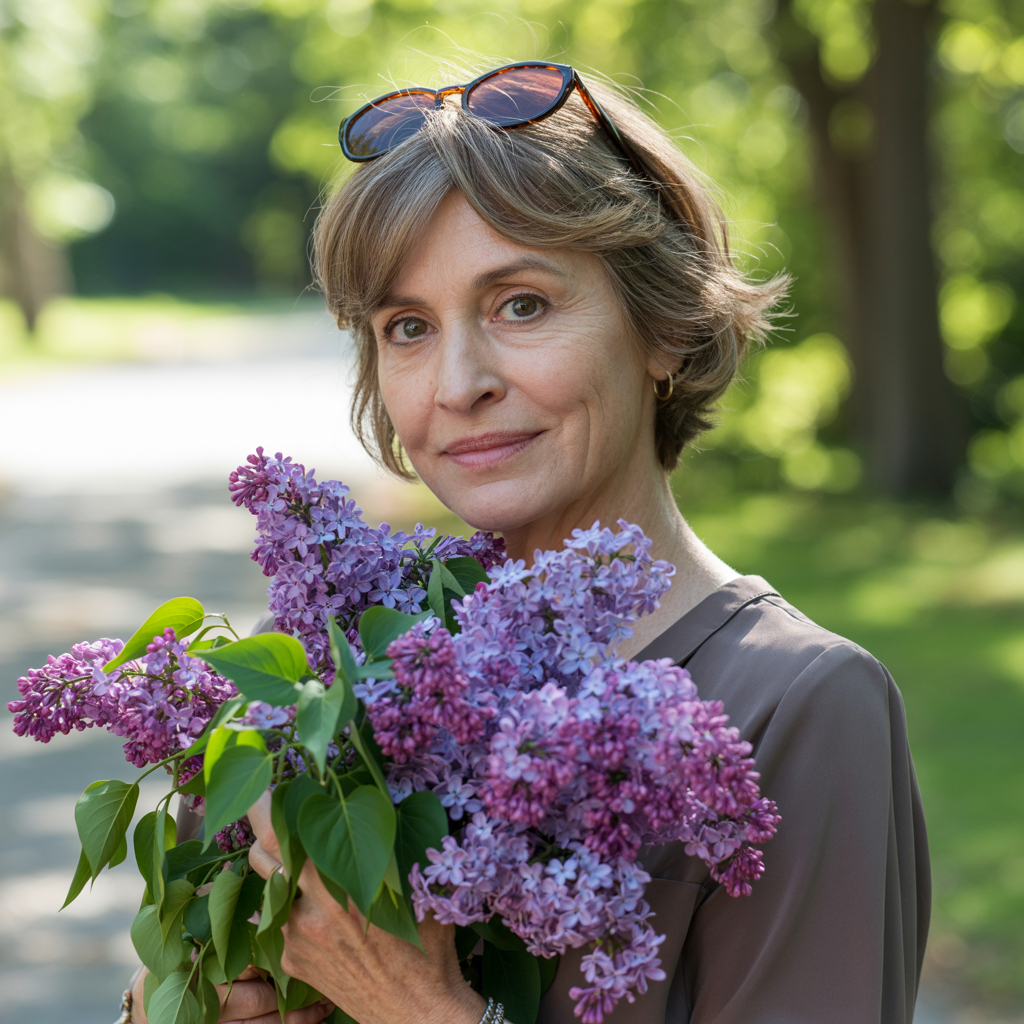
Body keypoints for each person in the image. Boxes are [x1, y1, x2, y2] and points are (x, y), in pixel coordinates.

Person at [126, 60, 929, 1024]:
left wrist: (418, 1007)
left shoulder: (796, 709)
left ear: (662, 327)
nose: (458, 382)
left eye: (521, 305)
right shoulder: (322, 668)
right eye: (408, 326)